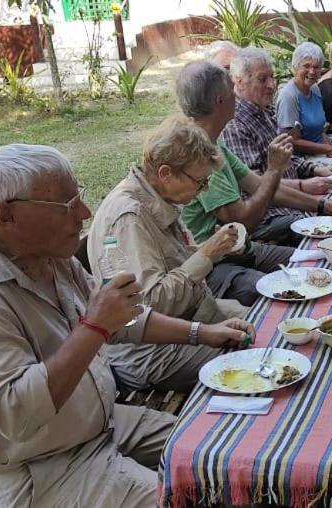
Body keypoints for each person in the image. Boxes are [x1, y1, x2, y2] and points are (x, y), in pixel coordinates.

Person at [0, 144, 255, 507]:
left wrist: (203, 334)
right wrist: (93, 327)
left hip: (101, 421)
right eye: (67, 206)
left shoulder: (49, 257)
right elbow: (17, 413)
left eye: (78, 198)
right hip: (44, 467)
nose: (83, 212)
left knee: (226, 451)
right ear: (6, 215)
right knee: (189, 499)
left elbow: (119, 318)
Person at [87, 116, 250, 392]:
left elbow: (174, 263)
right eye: (199, 182)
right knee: (255, 356)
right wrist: (206, 255)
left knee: (268, 320)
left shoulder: (156, 196)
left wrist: (216, 249)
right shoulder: (130, 218)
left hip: (192, 317)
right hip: (151, 351)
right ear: (165, 173)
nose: (204, 190)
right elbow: (148, 306)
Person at [177, 61, 332, 304]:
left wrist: (323, 206)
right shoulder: (199, 152)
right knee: (285, 292)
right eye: (231, 91)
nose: (236, 96)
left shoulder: (215, 141)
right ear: (220, 101)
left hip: (244, 250)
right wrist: (275, 169)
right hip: (217, 264)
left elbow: (259, 186)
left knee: (321, 264)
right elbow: (245, 218)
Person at [222, 47, 332, 246]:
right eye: (262, 79)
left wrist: (317, 169)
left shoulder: (262, 111)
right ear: (238, 80)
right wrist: (304, 188)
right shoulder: (235, 125)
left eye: (272, 77)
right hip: (273, 214)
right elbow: (255, 186)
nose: (272, 85)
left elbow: (288, 156)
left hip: (295, 201)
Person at [276, 42, 332, 156]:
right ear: (295, 67)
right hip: (301, 161)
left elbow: (319, 131)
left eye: (316, 67)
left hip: (320, 153)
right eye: (306, 66)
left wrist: (330, 148)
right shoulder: (289, 96)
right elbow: (292, 141)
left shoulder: (314, 88)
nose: (312, 71)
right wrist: (327, 149)